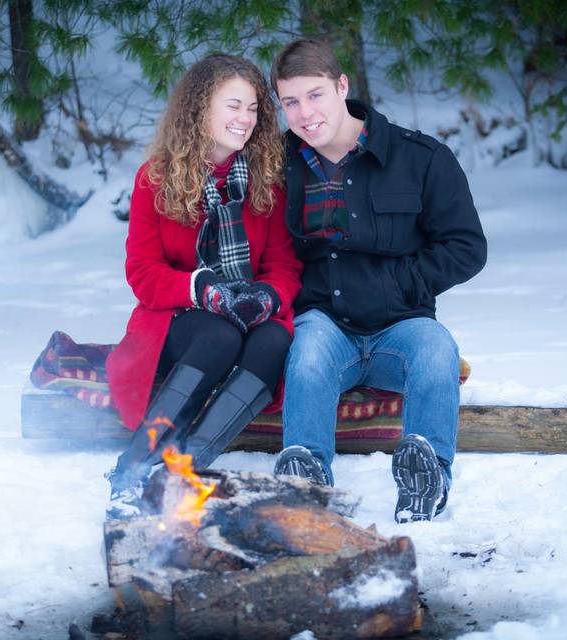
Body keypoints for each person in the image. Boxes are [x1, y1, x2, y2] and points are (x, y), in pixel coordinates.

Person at [269, 39, 487, 523]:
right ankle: (307, 480)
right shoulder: (278, 168)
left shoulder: (421, 159)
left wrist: (404, 285)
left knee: (438, 351)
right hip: (325, 325)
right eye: (290, 102)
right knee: (305, 356)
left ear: (343, 86)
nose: (305, 113)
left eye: (316, 94)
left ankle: (427, 479)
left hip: (402, 326)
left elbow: (467, 247)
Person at [104, 54, 302, 519]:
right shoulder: (155, 179)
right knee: (219, 334)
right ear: (200, 108)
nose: (245, 120)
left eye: (253, 108)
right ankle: (131, 470)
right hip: (180, 317)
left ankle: (184, 469)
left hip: (246, 311)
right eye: (233, 105)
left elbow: (284, 266)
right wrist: (200, 288)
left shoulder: (265, 181)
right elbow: (143, 273)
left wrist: (268, 295)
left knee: (275, 337)